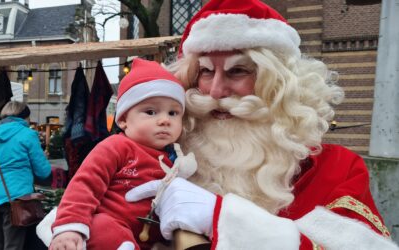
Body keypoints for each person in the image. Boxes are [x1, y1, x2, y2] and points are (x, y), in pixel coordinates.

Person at [125, 0, 399, 249]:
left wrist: (223, 219)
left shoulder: (337, 169)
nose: (216, 91)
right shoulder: (156, 160)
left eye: (239, 70)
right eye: (206, 71)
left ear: (279, 86)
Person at [47, 58, 196, 250]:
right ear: (124, 119)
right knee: (102, 228)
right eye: (151, 112)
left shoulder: (176, 156)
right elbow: (85, 184)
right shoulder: (116, 146)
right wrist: (70, 227)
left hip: (151, 239)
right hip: (111, 227)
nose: (164, 120)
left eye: (173, 113)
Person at [0, 101, 51, 250]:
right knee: (13, 247)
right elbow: (43, 172)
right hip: (16, 197)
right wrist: (43, 157)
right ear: (25, 117)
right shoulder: (28, 134)